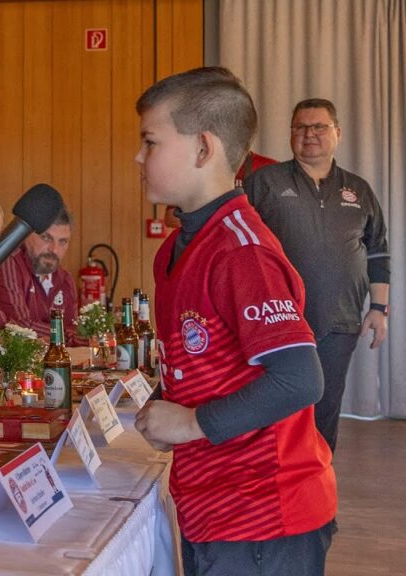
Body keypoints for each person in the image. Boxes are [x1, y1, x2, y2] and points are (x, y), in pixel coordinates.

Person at [132, 68, 336, 574]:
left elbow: (299, 378)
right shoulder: (175, 252)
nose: (138, 157)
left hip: (263, 519)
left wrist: (191, 422)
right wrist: (169, 403)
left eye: (150, 141)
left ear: (203, 149)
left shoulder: (242, 251)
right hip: (212, 508)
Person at [244, 98, 389, 454]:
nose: (309, 134)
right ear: (291, 134)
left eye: (318, 127)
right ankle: (274, 486)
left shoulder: (359, 189)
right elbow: (236, 242)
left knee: (324, 408)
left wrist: (379, 308)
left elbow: (378, 250)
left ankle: (316, 489)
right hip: (277, 321)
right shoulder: (264, 182)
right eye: (300, 127)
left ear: (337, 133)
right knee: (279, 409)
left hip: (340, 322)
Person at [0, 207, 79, 344]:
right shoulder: (9, 263)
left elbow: (73, 328)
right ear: (26, 234)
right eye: (46, 238)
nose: (54, 249)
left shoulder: (66, 280)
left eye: (63, 241)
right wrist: (71, 338)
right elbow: (20, 326)